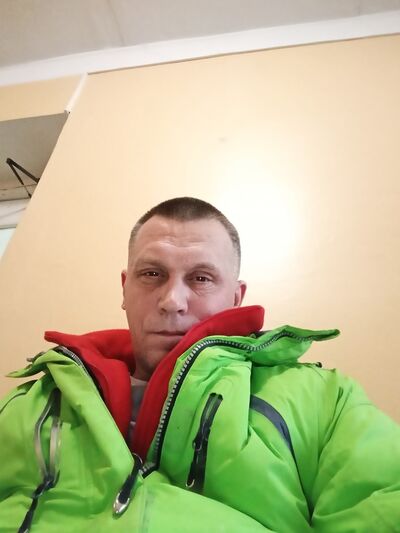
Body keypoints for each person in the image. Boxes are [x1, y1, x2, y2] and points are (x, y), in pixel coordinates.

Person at [0, 196, 399, 532]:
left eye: (202, 278)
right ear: (125, 287)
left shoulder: (325, 402)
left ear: (236, 297)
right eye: (151, 274)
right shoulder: (30, 403)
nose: (172, 301)